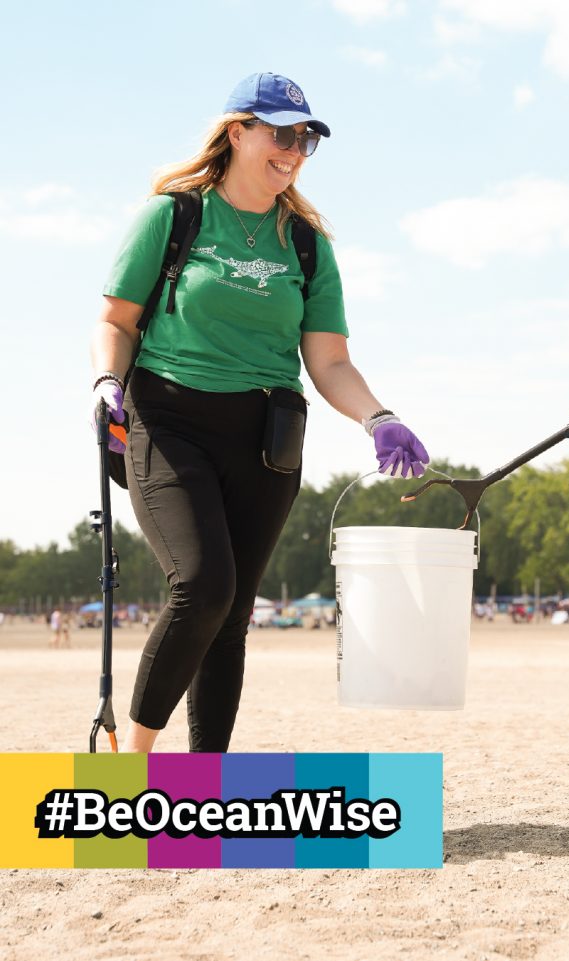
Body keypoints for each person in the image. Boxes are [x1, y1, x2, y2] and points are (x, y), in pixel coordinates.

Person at [90, 72, 429, 754]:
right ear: (237, 132)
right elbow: (117, 320)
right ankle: (130, 768)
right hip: (169, 421)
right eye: (281, 134)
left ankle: (203, 781)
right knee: (203, 587)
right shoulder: (174, 216)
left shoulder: (306, 243)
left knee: (232, 615)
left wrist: (378, 417)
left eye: (306, 139)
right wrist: (105, 382)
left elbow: (329, 361)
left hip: (268, 440)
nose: (294, 151)